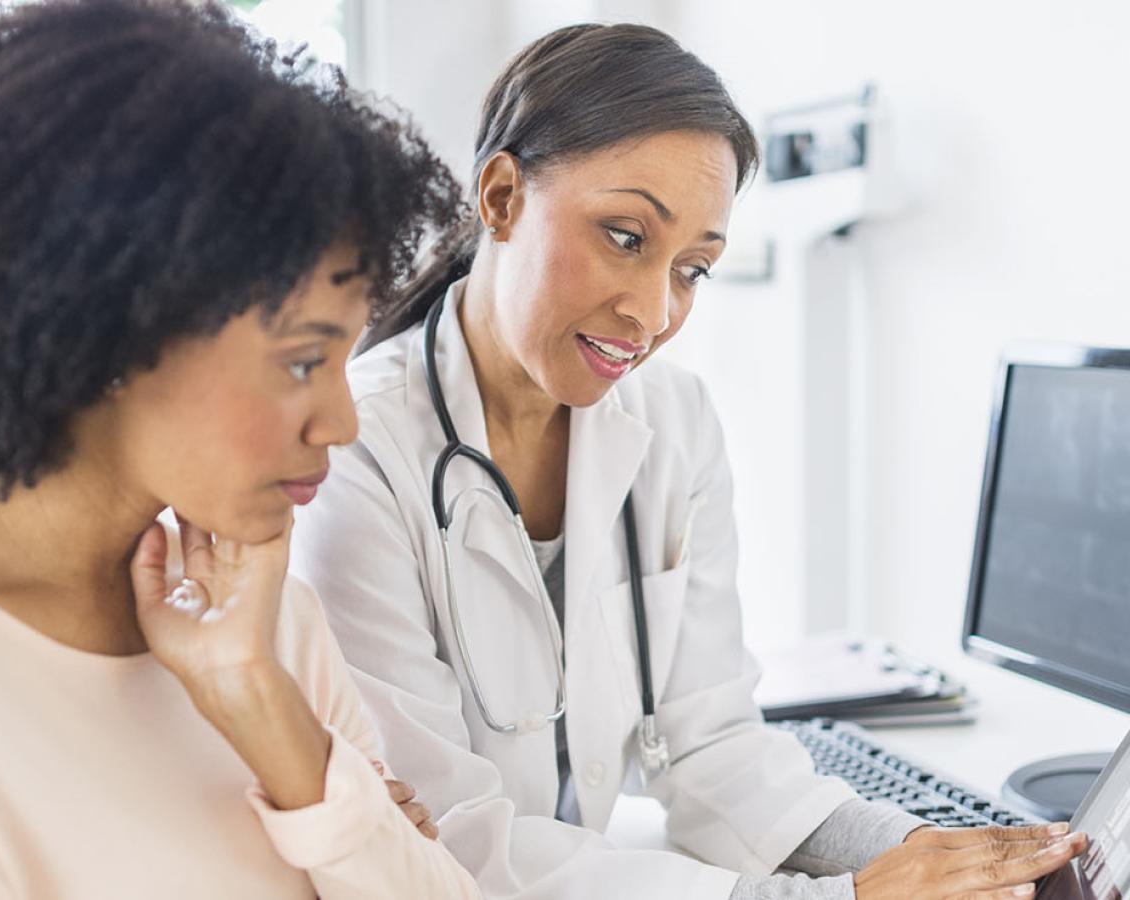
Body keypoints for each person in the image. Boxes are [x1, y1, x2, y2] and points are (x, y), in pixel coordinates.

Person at [289, 21, 1088, 900]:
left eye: (693, 269)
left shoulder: (674, 422)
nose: (652, 312)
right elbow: (452, 844)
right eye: (626, 236)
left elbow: (716, 752)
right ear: (503, 195)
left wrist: (948, 858)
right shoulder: (353, 455)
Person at [0, 1, 480, 897]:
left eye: (345, 356)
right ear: (104, 333)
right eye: (303, 360)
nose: (341, 422)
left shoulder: (267, 627)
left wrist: (263, 708)